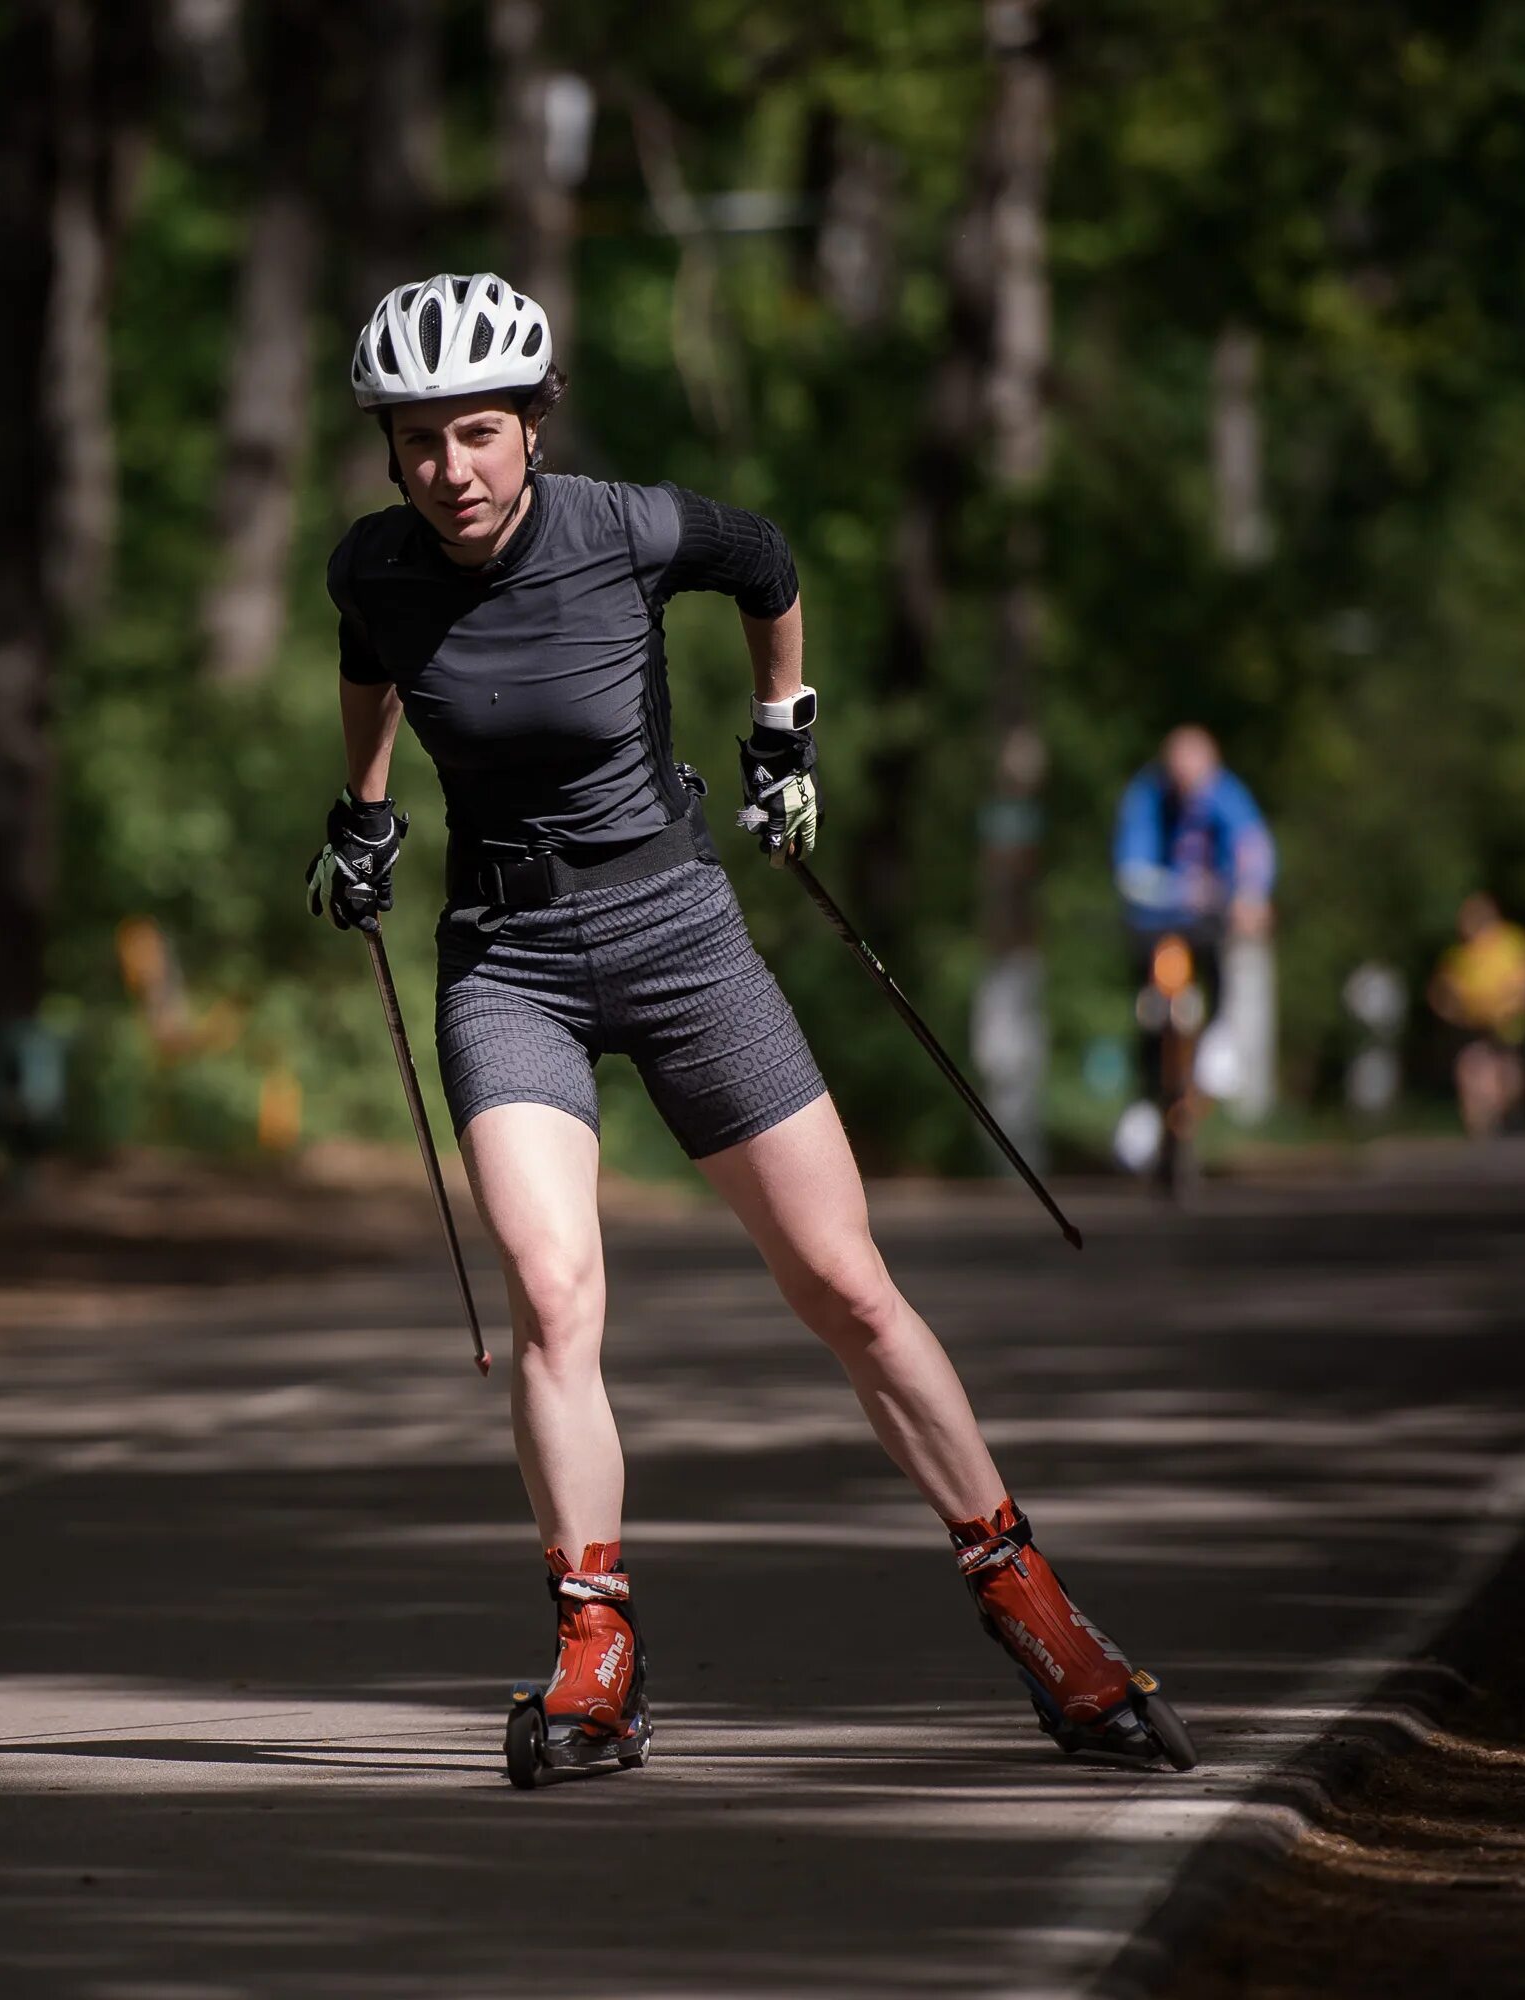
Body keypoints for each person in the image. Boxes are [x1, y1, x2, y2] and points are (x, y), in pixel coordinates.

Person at [303, 271, 1192, 1773]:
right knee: (553, 1287)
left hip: (676, 932)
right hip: (504, 955)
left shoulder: (627, 527)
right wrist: (364, 810)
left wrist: (786, 724)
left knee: (844, 1284)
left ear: (531, 425)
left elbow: (769, 561)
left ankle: (1029, 1597)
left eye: (475, 432)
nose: (447, 469)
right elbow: (368, 663)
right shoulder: (374, 567)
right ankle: (597, 1647)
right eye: (415, 441)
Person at [1111, 726, 1275, 1128]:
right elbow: (1131, 871)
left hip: (1207, 919)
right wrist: (1181, 890)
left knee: (1225, 961)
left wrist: (1253, 892)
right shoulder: (1146, 796)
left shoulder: (1226, 793)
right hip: (1157, 918)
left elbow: (1252, 846)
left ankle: (1219, 1035)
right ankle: (1146, 1100)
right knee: (1149, 1007)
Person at [1429, 892, 1525, 1139]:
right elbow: (1440, 993)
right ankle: (1481, 1136)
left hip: (1511, 1026)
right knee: (1472, 1074)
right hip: (1475, 1028)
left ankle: (1510, 1120)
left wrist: (1521, 1003)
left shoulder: (1513, 942)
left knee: (1508, 1079)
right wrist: (1457, 1014)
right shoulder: (1461, 955)